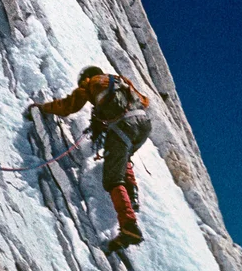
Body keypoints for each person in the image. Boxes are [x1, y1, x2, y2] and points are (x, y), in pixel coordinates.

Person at [27, 66, 151, 249]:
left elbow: (69, 106)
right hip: (144, 124)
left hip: (124, 126)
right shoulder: (120, 80)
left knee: (112, 179)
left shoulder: (91, 82)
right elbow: (144, 102)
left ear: (87, 76)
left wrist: (43, 108)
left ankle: (129, 226)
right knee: (123, 158)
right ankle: (131, 195)